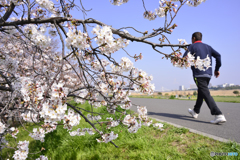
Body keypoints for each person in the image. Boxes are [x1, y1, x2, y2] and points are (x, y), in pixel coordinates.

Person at [183, 32, 226, 124]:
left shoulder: (192, 47)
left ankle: (218, 114)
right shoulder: (208, 47)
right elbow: (218, 56)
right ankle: (195, 111)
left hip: (198, 74)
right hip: (208, 74)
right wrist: (216, 69)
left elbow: (184, 59)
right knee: (202, 92)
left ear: (193, 38)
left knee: (205, 93)